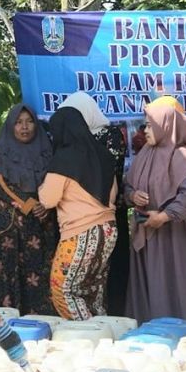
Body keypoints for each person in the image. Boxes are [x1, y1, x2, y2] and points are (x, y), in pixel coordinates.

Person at [125, 100, 186, 324]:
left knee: (173, 284)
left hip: (172, 238)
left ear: (166, 125)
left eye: (150, 125)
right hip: (146, 233)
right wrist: (133, 196)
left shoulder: (183, 156)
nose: (146, 130)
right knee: (150, 289)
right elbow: (127, 187)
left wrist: (163, 216)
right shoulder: (145, 154)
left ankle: (181, 339)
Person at [39, 106, 117, 320]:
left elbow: (48, 199)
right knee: (93, 292)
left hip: (80, 233)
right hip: (108, 230)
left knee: (63, 290)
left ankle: (87, 334)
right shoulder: (102, 155)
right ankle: (104, 338)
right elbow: (112, 194)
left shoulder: (63, 159)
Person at [59, 91, 130, 315]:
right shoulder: (68, 138)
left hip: (106, 212)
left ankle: (105, 322)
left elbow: (107, 175)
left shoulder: (110, 135)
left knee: (102, 276)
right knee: (80, 278)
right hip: (74, 217)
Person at [0, 104, 56, 313]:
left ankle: (41, 323)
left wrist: (46, 207)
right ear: (11, 126)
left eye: (29, 121)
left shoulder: (47, 151)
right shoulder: (0, 152)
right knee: (8, 274)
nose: (24, 127)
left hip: (40, 225)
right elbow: (0, 186)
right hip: (9, 228)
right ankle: (8, 324)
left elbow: (55, 184)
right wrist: (28, 204)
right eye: (18, 122)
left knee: (38, 274)